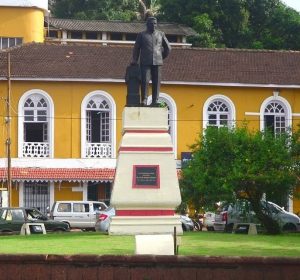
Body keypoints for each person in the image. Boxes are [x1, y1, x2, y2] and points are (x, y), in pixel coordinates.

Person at [131, 17, 171, 106]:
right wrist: (134, 59)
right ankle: (144, 100)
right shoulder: (141, 35)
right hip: (145, 62)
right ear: (147, 25)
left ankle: (155, 100)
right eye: (152, 23)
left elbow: (168, 48)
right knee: (145, 80)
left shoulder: (161, 34)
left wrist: (161, 57)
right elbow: (136, 48)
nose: (154, 25)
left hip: (157, 62)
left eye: (155, 23)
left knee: (156, 82)